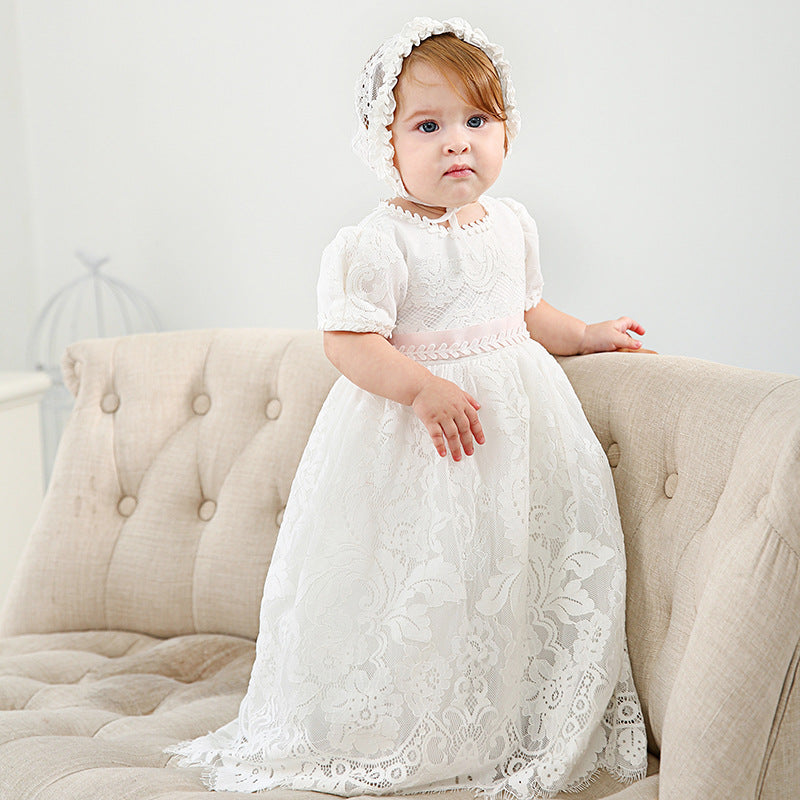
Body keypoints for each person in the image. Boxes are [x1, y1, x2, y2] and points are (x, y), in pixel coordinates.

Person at [165, 16, 650, 799]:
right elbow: (349, 342)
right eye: (429, 125)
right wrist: (420, 385)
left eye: (477, 121)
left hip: (516, 439)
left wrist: (587, 334)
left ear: (506, 133)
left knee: (508, 568)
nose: (457, 142)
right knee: (426, 580)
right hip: (422, 447)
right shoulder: (376, 243)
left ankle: (511, 705)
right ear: (384, 143)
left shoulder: (511, 225)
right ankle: (406, 716)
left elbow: (528, 312)